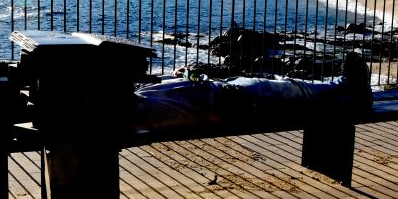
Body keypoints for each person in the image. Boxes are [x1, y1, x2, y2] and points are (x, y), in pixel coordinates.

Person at [133, 52, 372, 132]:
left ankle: (345, 90)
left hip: (225, 91)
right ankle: (347, 87)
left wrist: (177, 76)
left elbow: (172, 94)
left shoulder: (139, 96)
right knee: (293, 89)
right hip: (232, 99)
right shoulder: (137, 105)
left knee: (289, 87)